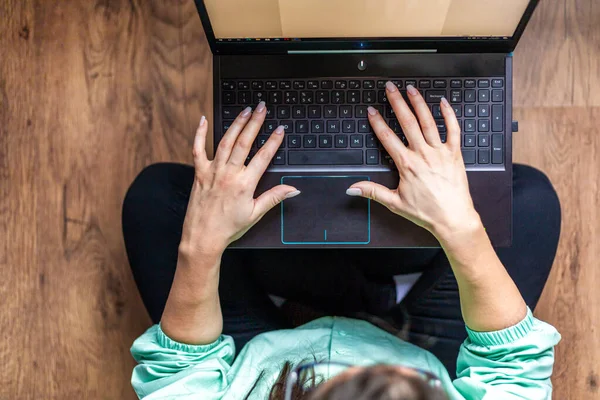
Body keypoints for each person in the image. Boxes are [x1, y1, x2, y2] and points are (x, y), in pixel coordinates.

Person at [122, 82, 561, 399]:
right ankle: (372, 297)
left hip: (255, 360)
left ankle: (333, 292)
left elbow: (180, 375)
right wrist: (459, 227)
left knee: (158, 197)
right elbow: (514, 366)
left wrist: (203, 244)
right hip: (423, 350)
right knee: (527, 202)